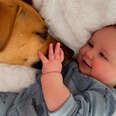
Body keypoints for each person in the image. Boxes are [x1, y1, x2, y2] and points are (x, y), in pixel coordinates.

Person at [38, 25, 116, 116]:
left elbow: (71, 113)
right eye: (90, 44)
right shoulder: (72, 65)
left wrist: (51, 74)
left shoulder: (105, 100)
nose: (89, 53)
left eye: (102, 55)